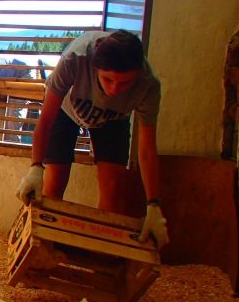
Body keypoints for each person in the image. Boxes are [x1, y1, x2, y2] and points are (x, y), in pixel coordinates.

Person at [14, 30, 169, 248]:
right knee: (54, 180)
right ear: (95, 67)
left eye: (125, 83)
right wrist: (36, 167)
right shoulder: (74, 60)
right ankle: (42, 249)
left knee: (114, 188)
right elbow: (46, 120)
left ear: (137, 75)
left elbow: (146, 150)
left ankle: (102, 254)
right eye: (108, 79)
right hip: (66, 108)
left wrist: (154, 205)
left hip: (113, 118)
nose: (114, 89)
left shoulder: (148, 85)